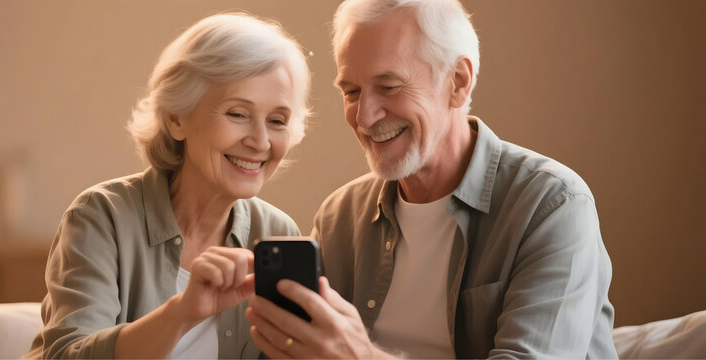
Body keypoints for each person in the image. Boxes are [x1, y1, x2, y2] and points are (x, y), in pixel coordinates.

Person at [245, 0, 617, 358]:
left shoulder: (552, 205)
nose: (364, 117)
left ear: (458, 82)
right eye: (352, 92)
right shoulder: (340, 217)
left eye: (389, 86)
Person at [23, 12, 310, 359]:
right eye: (237, 114)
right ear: (176, 118)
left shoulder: (278, 234)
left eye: (277, 120)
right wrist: (181, 313)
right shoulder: (102, 217)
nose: (261, 141)